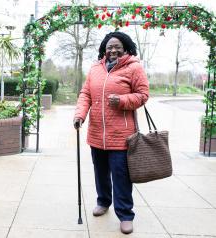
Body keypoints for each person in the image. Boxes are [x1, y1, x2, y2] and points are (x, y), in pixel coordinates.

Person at [73, 31, 149, 234]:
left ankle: (125, 214)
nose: (113, 50)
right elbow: (85, 94)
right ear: (104, 49)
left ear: (125, 48)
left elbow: (143, 95)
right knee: (100, 172)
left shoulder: (134, 68)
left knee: (121, 176)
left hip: (122, 136)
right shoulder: (95, 68)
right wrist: (80, 115)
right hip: (97, 133)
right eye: (109, 47)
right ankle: (103, 201)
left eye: (117, 47)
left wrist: (123, 101)